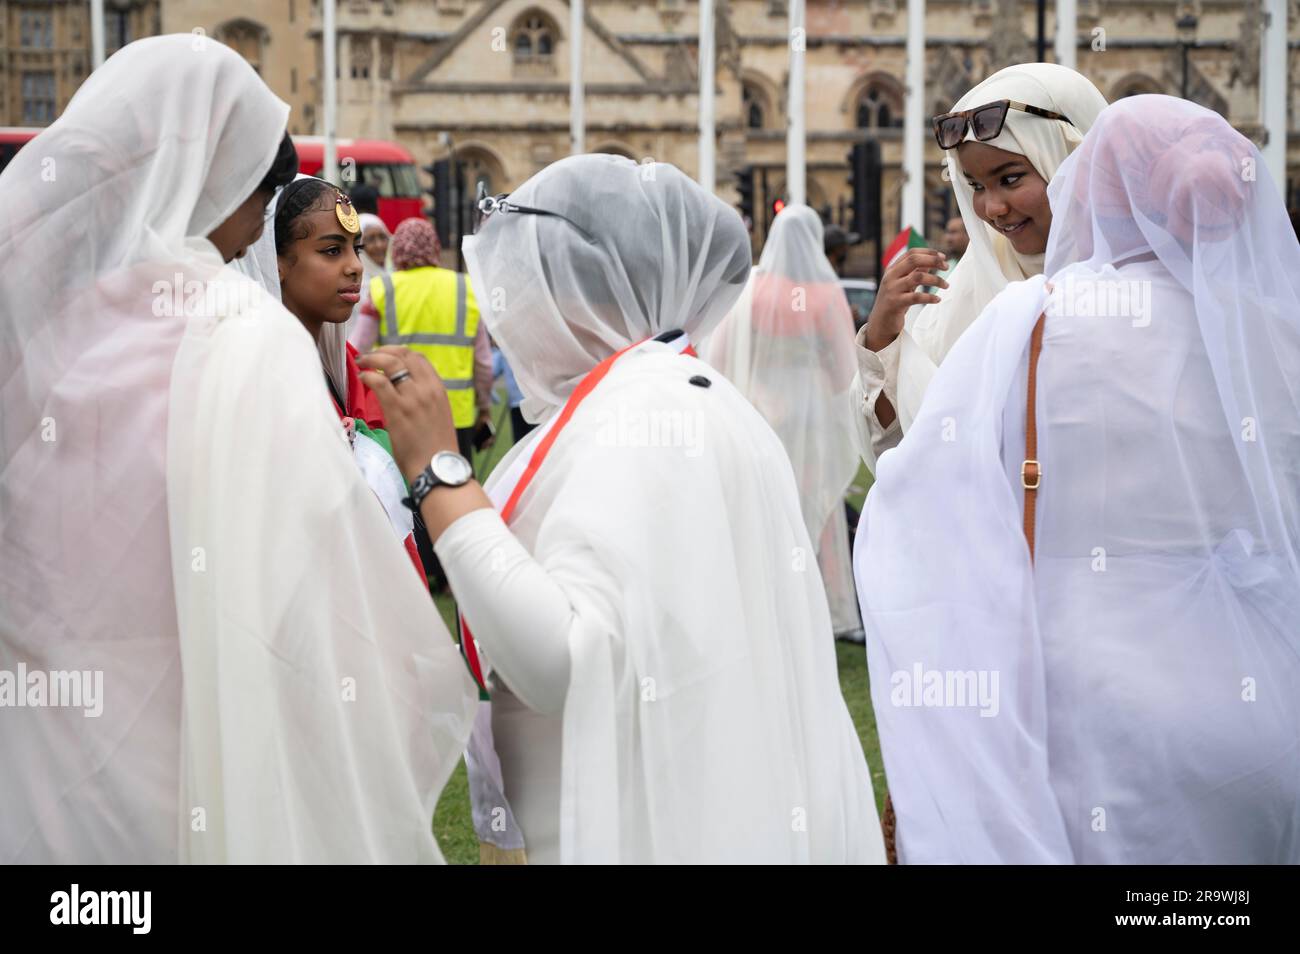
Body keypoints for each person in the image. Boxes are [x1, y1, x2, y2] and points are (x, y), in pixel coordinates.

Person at [0, 35, 475, 863]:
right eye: (260, 192)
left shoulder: (46, 330)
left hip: (51, 758)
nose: (261, 218)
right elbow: (323, 592)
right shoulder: (240, 333)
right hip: (187, 747)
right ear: (212, 182)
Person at [359, 154, 886, 864]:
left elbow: (559, 660)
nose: (510, 315)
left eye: (522, 287)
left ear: (581, 293)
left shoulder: (646, 416)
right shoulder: (669, 394)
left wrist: (438, 471)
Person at [854, 95, 1300, 863]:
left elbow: (916, 506)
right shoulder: (1268, 333)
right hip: (1258, 688)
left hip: (1091, 696)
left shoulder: (1035, 316)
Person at [850, 63, 1107, 472]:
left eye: (1010, 179)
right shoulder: (960, 296)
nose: (992, 208)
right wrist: (882, 334)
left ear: (1069, 161)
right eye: (975, 186)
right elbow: (899, 449)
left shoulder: (1137, 291)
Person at [706, 204, 863, 641]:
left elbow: (719, 357)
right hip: (807, 408)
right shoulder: (825, 293)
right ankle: (821, 601)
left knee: (762, 500)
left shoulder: (750, 288)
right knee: (815, 500)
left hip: (758, 405)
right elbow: (842, 371)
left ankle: (760, 597)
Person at [263, 176, 425, 578]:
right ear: (275, 261)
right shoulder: (263, 381)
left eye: (354, 248)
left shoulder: (355, 370)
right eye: (331, 251)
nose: (355, 267)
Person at [352, 218, 493, 458]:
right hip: (454, 415)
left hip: (400, 411)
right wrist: (485, 409)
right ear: (435, 247)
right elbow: (484, 364)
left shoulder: (382, 289)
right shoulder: (465, 288)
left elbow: (357, 351)